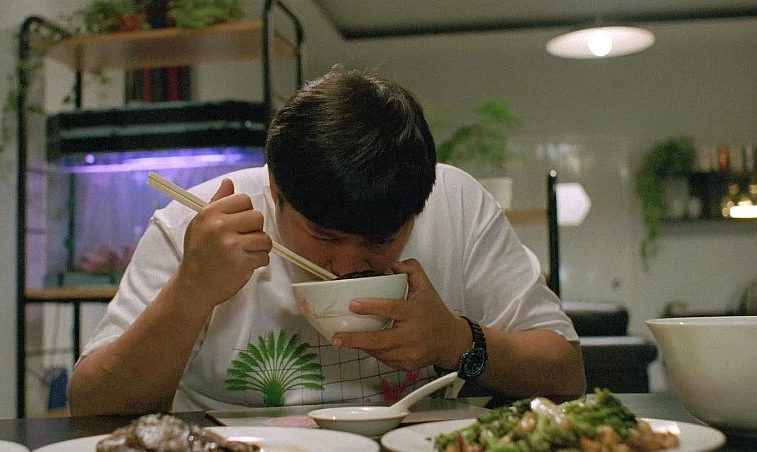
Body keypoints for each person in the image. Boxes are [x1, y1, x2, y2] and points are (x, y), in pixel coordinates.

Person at [68, 67, 585, 416]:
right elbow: (91, 407)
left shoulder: (456, 203)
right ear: (275, 191)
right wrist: (191, 292)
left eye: (381, 240)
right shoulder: (201, 221)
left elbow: (566, 374)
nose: (346, 265)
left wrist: (457, 340)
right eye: (324, 236)